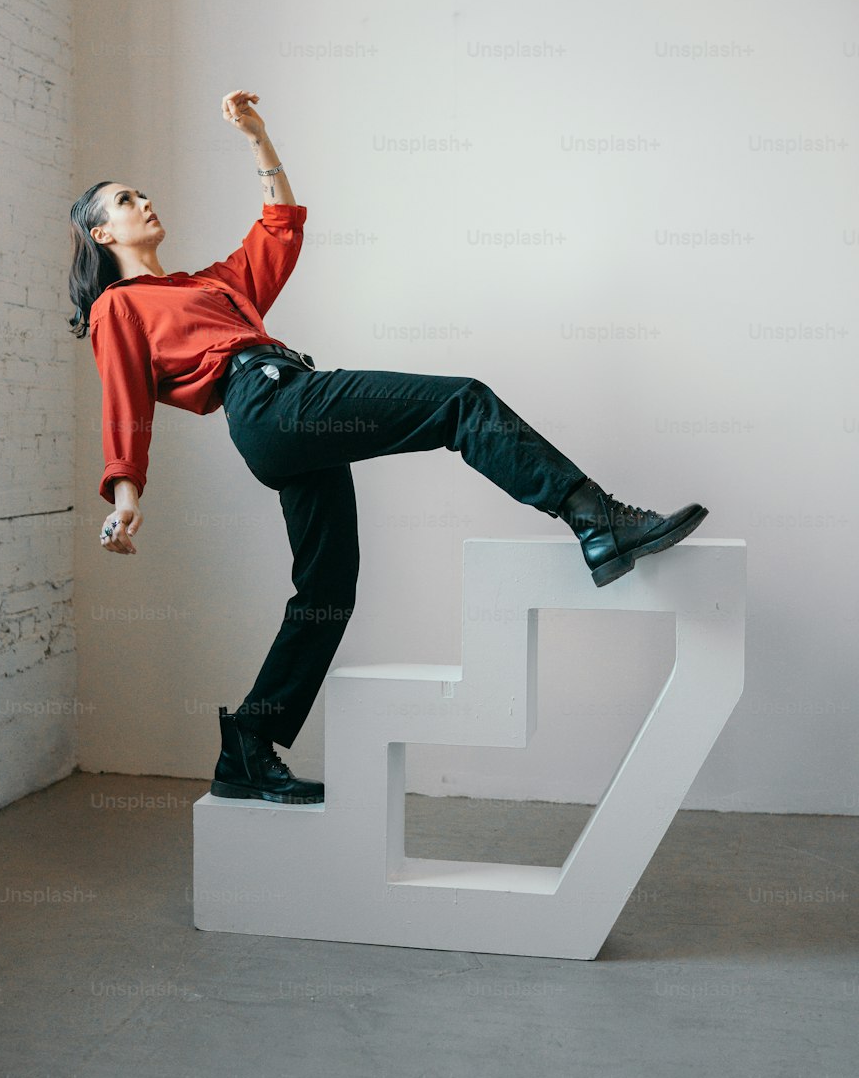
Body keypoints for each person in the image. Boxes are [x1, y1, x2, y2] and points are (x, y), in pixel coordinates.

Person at [67, 88, 709, 808]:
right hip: (270, 404)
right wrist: (125, 498)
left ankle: (248, 746)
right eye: (126, 200)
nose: (143, 202)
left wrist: (257, 136)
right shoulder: (118, 308)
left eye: (143, 193)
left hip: (285, 413)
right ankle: (595, 518)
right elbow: (122, 403)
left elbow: (279, 227)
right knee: (461, 400)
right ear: (101, 233)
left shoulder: (209, 286)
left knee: (327, 590)